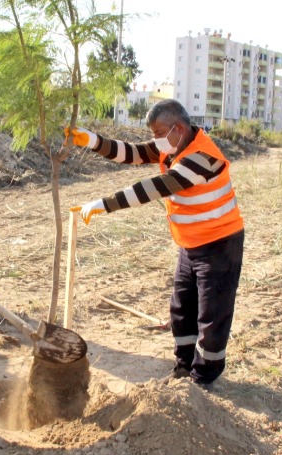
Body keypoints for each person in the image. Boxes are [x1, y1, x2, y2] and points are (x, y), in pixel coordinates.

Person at [68, 99, 244, 390]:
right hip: (190, 244)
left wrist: (104, 204)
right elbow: (131, 153)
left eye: (159, 132)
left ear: (179, 128)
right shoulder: (173, 145)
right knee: (181, 308)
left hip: (219, 245)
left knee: (212, 316)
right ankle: (184, 365)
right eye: (152, 133)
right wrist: (92, 140)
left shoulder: (202, 157)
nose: (154, 140)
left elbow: (154, 188)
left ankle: (204, 377)